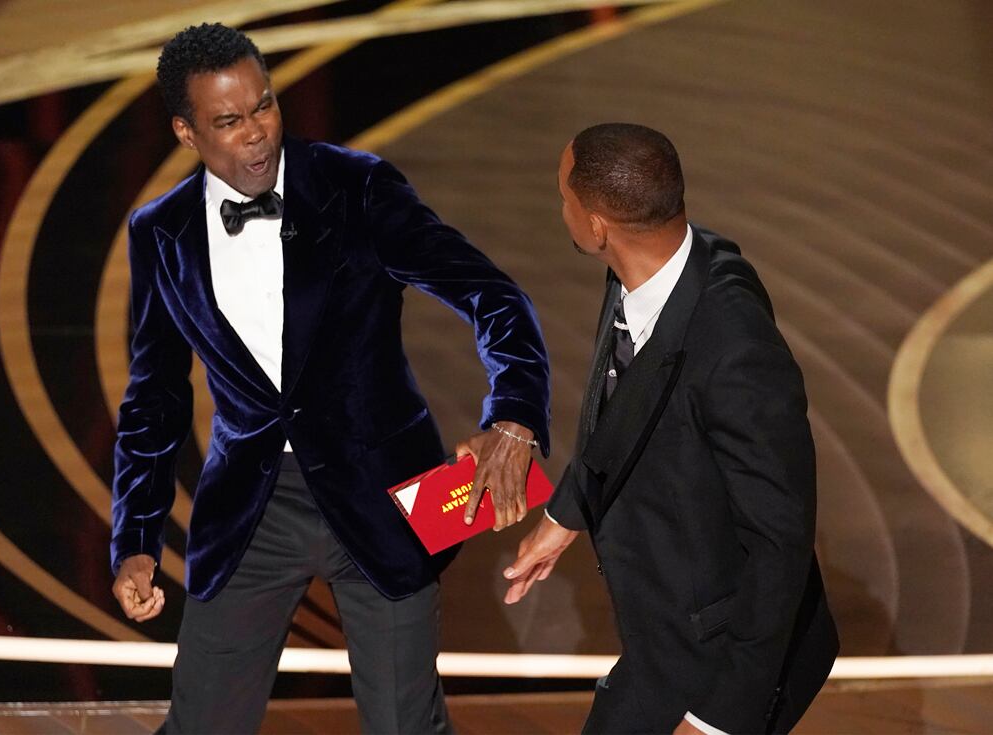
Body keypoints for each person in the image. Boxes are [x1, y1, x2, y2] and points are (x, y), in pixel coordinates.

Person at [109, 22, 550, 734]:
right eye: (228, 120)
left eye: (265, 106)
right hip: (253, 509)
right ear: (186, 133)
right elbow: (155, 397)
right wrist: (135, 535)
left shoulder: (358, 187)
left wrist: (514, 415)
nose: (256, 133)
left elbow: (493, 296)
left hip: (385, 495)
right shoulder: (158, 233)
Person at [502, 123, 838, 735]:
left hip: (722, 656)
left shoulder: (735, 347)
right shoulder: (662, 267)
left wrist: (716, 721)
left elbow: (779, 543)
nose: (562, 210)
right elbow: (629, 402)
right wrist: (567, 514)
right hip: (664, 632)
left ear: (597, 226)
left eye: (564, 199)